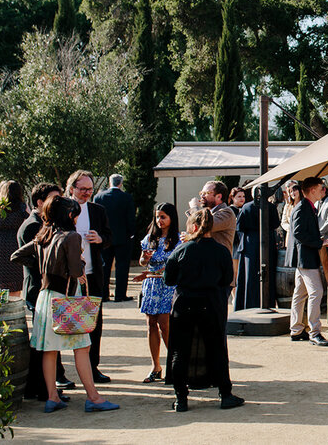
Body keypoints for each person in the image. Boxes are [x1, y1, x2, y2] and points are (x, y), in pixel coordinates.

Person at [10, 195, 119, 413]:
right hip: (67, 298)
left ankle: (52, 397)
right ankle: (93, 397)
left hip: (45, 296)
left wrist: (42, 267)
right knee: (82, 347)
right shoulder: (71, 237)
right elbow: (77, 271)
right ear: (70, 215)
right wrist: (76, 265)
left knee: (49, 350)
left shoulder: (43, 235)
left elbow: (16, 256)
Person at [164, 208, 244, 412]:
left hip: (184, 303)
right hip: (212, 302)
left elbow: (169, 279)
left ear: (193, 226)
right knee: (217, 348)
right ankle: (225, 394)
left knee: (179, 351)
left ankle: (181, 398)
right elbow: (227, 279)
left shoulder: (182, 250)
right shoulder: (221, 251)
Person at [17, 182, 63, 401]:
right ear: (39, 202)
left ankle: (43, 388)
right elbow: (22, 256)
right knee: (42, 344)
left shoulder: (42, 222)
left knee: (45, 342)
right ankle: (40, 389)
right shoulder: (33, 225)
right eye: (54, 198)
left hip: (44, 289)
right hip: (38, 289)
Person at [66, 170, 113, 383]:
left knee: (94, 323)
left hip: (93, 275)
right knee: (64, 323)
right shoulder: (62, 208)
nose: (86, 193)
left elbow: (110, 237)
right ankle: (59, 373)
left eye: (90, 189)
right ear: (72, 188)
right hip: (68, 277)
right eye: (83, 189)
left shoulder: (97, 210)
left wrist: (100, 238)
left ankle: (93, 368)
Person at [134, 203, 179, 384]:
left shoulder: (177, 239)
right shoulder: (150, 238)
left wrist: (153, 271)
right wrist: (145, 258)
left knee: (165, 324)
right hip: (151, 284)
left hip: (167, 284)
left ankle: (174, 364)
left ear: (171, 218)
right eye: (157, 217)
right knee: (151, 324)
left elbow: (174, 265)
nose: (159, 221)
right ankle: (156, 366)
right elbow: (142, 261)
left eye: (163, 217)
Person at [289, 176, 328, 346]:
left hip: (303, 257)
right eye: (322, 188)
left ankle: (297, 329)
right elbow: (298, 233)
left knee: (300, 294)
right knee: (316, 292)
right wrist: (319, 242)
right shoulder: (303, 208)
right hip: (305, 258)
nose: (324, 191)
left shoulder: (305, 206)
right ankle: (314, 332)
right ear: (312, 190)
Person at [234, 189, 281, 311]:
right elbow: (276, 224)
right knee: (267, 275)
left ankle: (248, 305)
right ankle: (268, 303)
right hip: (267, 242)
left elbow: (239, 226)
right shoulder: (270, 206)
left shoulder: (246, 207)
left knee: (249, 276)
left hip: (250, 243)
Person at [94, 174, 135, 303]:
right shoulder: (127, 198)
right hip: (123, 238)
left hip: (104, 238)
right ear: (120, 183)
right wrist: (131, 233)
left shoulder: (98, 197)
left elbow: (95, 218)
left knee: (104, 267)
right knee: (122, 267)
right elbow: (131, 218)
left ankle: (103, 294)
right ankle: (120, 295)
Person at [0, 179, 27, 296]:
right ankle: (14, 309)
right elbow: (28, 224)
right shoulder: (22, 207)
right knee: (15, 282)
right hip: (15, 244)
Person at [228, 187, 246, 288]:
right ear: (232, 197)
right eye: (239, 196)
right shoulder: (230, 210)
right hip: (235, 244)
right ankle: (235, 298)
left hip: (242, 243)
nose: (242, 199)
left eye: (243, 196)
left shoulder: (244, 209)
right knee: (235, 273)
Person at [282, 182, 303, 267]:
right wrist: (290, 228)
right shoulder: (288, 206)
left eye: (295, 190)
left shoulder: (304, 204)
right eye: (290, 192)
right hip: (290, 236)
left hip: (301, 237)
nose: (293, 193)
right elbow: (283, 222)